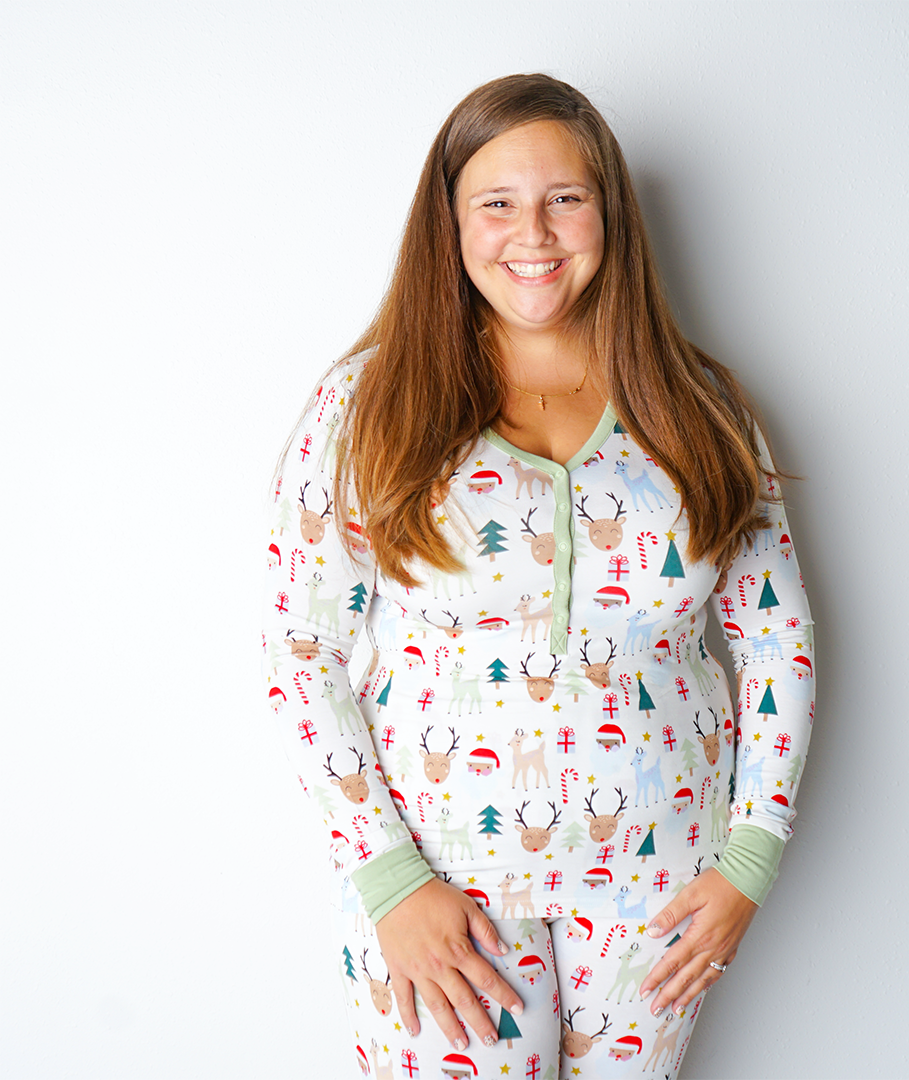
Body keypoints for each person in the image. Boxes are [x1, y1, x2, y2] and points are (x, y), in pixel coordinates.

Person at [262, 73, 814, 1080]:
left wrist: (750, 861)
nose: (536, 232)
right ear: (451, 222)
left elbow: (776, 637)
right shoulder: (365, 408)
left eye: (565, 197)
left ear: (609, 210)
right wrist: (387, 878)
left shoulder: (703, 410)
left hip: (662, 888)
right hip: (443, 885)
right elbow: (301, 650)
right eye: (497, 202)